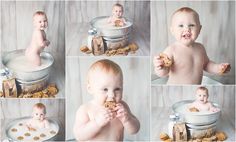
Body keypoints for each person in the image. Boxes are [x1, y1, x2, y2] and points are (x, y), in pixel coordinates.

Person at [153, 7, 230, 84]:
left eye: (192, 25)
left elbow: (206, 64)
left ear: (199, 29)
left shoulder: (200, 48)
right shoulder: (172, 50)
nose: (187, 29)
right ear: (172, 30)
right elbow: (163, 74)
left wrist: (218, 68)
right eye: (181, 25)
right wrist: (160, 67)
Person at [73, 59, 140, 141]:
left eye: (117, 89)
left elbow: (135, 130)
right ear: (90, 89)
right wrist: (97, 123)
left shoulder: (123, 107)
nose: (112, 95)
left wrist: (127, 119)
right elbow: (79, 136)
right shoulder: (85, 110)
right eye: (105, 89)